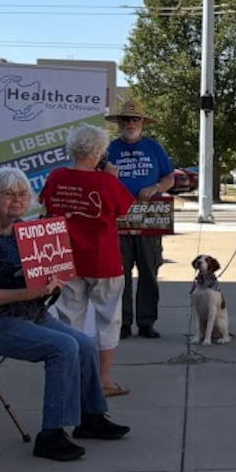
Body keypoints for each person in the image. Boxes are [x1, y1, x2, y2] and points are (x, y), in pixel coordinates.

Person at [0, 167, 130, 463]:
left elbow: (36, 273)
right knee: (63, 348)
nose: (17, 200)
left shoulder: (19, 227)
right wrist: (27, 293)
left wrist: (52, 280)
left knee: (84, 344)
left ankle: (91, 418)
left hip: (28, 313)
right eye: (8, 194)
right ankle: (51, 435)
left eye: (22, 194)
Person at [40, 124, 138, 398]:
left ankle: (73, 377)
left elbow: (47, 206)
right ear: (99, 151)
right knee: (108, 320)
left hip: (66, 258)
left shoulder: (56, 176)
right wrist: (112, 179)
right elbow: (124, 209)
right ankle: (103, 380)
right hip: (103, 259)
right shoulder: (106, 181)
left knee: (70, 319)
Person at [105, 97, 174, 339]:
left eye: (135, 119)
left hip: (149, 218)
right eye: (126, 119)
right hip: (118, 219)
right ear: (119, 123)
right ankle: (122, 322)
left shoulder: (155, 148)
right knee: (119, 273)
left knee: (149, 270)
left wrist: (155, 188)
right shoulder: (110, 148)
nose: (130, 123)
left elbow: (170, 178)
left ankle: (146, 322)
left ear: (142, 123)